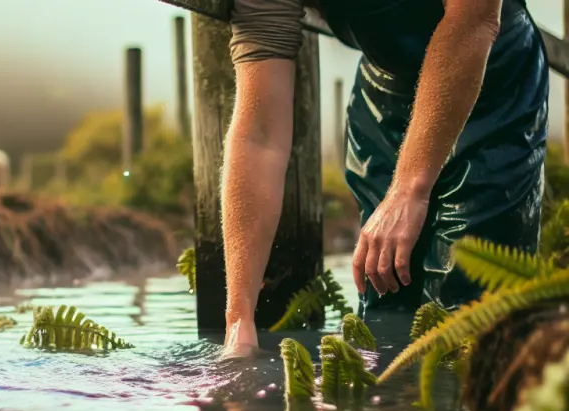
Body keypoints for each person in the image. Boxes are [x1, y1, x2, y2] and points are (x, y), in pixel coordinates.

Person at [221, 0, 548, 350]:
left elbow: (474, 19)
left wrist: (408, 191)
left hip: (494, 80)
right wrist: (239, 320)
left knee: (470, 315)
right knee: (385, 318)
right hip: (385, 93)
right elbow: (260, 136)